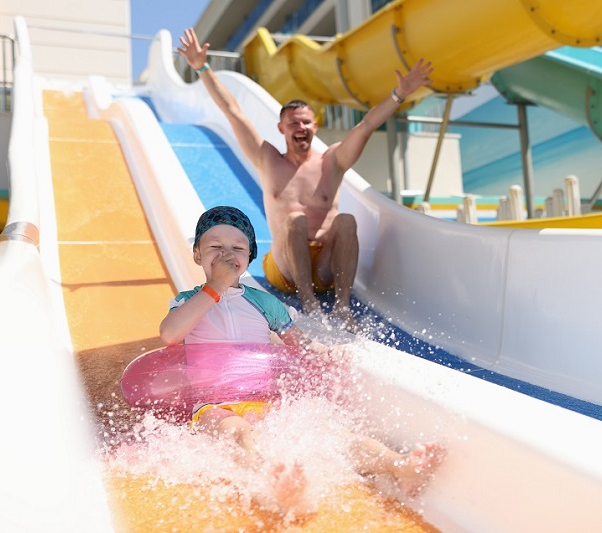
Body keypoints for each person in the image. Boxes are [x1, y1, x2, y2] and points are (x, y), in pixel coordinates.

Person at [159, 206, 445, 519]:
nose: (227, 253)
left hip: (265, 401)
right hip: (214, 406)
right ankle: (276, 481)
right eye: (216, 246)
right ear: (198, 255)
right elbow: (171, 334)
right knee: (239, 433)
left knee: (332, 434)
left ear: (248, 258)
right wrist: (216, 286)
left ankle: (398, 466)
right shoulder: (188, 301)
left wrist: (324, 352)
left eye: (237, 248)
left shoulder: (263, 302)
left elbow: (301, 345)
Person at [177, 28, 434, 330]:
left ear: (315, 126)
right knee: (295, 219)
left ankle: (342, 305)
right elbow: (233, 112)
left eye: (306, 122)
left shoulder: (333, 161)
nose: (301, 127)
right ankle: (309, 302)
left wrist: (398, 94)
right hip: (284, 270)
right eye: (293, 123)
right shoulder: (267, 159)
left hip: (325, 269)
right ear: (281, 128)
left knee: (346, 221)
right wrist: (202, 67)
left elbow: (366, 125)